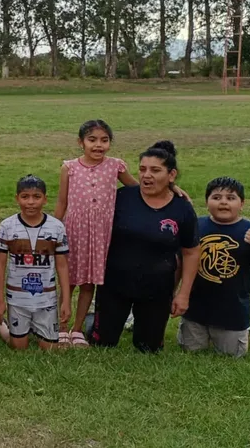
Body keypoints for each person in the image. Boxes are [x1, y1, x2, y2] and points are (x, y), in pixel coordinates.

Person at [89, 141, 199, 353]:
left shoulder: (182, 208)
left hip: (157, 288)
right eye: (142, 169)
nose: (146, 175)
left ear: (172, 174)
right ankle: (95, 318)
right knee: (102, 343)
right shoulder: (122, 197)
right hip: (114, 285)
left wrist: (183, 294)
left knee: (148, 348)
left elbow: (191, 251)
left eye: (155, 170)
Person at [53, 120, 135, 347]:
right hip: (74, 231)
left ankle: (77, 329)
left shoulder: (116, 166)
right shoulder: (69, 167)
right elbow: (61, 202)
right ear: (81, 142)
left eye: (104, 140)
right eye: (92, 140)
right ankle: (61, 327)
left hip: (101, 233)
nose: (98, 145)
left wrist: (169, 187)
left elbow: (137, 188)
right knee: (68, 281)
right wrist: (51, 230)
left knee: (89, 282)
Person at [179, 177, 250, 358]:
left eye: (231, 198)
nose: (223, 202)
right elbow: (181, 262)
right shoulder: (196, 226)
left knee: (233, 355)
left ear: (242, 204)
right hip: (195, 310)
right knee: (191, 351)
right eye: (216, 197)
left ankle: (243, 332)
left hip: (233, 313)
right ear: (207, 202)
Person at [0, 175, 71, 351]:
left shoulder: (56, 227)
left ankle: (37, 328)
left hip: (46, 299)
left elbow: (62, 265)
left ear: (45, 199)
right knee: (18, 347)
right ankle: (1, 325)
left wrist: (65, 300)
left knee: (50, 349)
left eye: (36, 197)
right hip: (17, 298)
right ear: (17, 198)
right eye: (25, 197)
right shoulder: (7, 226)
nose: (30, 202)